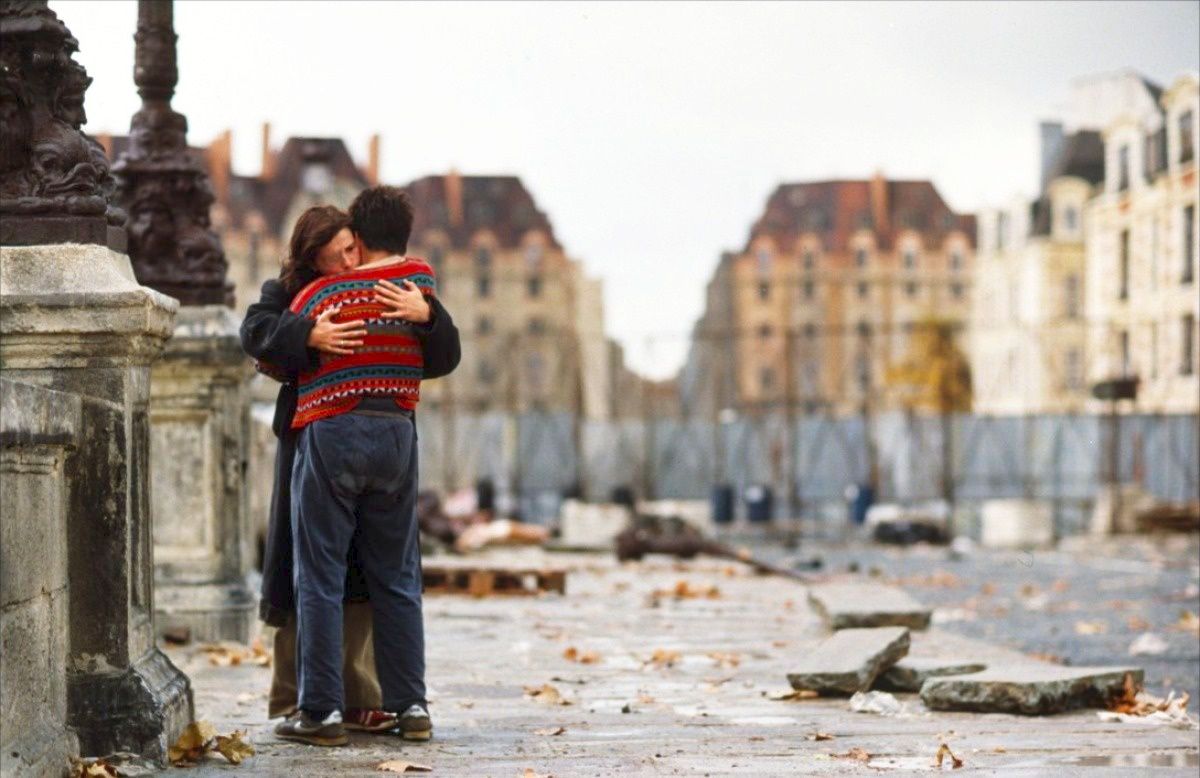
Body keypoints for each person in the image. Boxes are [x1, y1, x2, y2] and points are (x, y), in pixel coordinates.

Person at [239, 202, 459, 741]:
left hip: (330, 435)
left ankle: (326, 709)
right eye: (340, 253)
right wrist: (306, 335)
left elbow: (443, 350)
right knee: (387, 577)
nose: (350, 260)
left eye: (352, 249)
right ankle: (405, 706)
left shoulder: (377, 294)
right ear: (314, 254)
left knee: (324, 576)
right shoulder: (300, 293)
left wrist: (428, 316)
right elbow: (257, 333)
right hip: (370, 434)